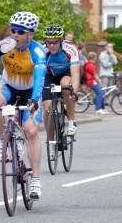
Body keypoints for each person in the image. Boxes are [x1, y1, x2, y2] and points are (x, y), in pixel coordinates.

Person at [0, 11, 46, 200]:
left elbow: (40, 79)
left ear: (30, 34)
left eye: (20, 32)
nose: (15, 35)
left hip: (30, 93)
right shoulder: (4, 45)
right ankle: (3, 141)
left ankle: (36, 180)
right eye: (13, 30)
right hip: (8, 87)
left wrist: (33, 100)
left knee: (31, 131)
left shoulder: (38, 51)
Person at [42, 24, 80, 158]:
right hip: (50, 76)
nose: (51, 45)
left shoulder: (71, 49)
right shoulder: (42, 50)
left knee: (65, 85)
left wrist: (73, 91)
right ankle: (51, 144)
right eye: (49, 42)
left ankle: (71, 122)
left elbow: (75, 73)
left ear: (61, 40)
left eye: (55, 42)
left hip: (67, 73)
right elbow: (37, 73)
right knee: (46, 108)